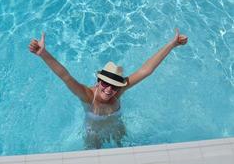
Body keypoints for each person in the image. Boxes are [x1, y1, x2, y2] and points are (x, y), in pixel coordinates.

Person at [29, 28, 188, 148]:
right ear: (98, 82)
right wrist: (44, 54)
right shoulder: (87, 95)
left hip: (118, 128)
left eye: (114, 86)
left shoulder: (119, 92)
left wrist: (171, 44)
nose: (109, 89)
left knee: (125, 153)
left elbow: (146, 70)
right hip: (94, 133)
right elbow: (65, 76)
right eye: (105, 84)